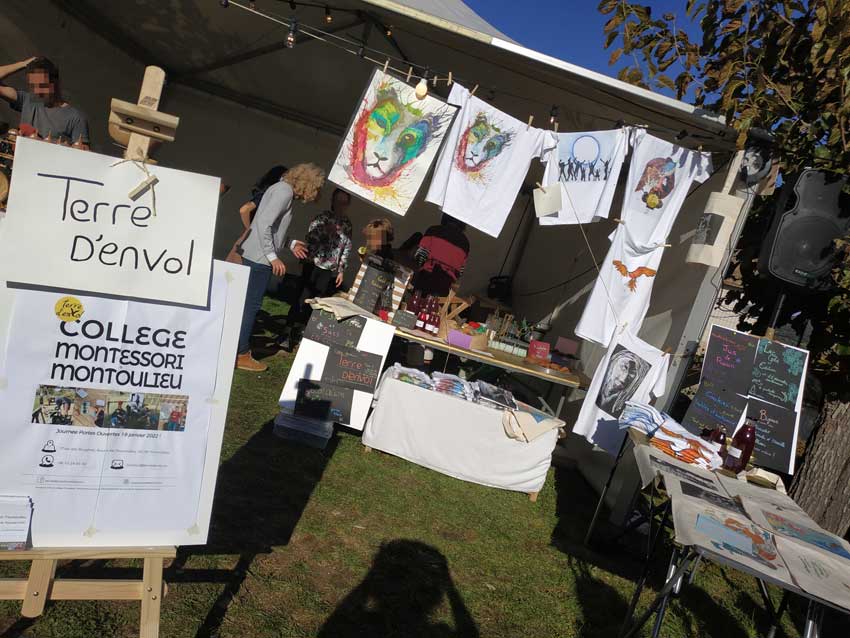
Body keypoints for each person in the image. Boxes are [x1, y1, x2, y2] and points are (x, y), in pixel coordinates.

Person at [236, 163, 326, 372]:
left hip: (255, 254)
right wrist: (272, 257)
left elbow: (271, 227)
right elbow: (264, 224)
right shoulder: (284, 192)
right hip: (259, 258)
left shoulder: (279, 188)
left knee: (245, 304)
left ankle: (236, 347)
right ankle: (240, 353)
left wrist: (290, 244)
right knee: (251, 306)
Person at [280, 188, 353, 351]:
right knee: (301, 297)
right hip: (313, 263)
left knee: (316, 301)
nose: (341, 205)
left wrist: (341, 269)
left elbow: (347, 247)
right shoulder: (323, 217)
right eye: (338, 201)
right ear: (332, 201)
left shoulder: (347, 224)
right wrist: (326, 231)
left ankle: (300, 331)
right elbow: (310, 237)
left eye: (344, 202)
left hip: (329, 269)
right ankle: (286, 331)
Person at [0, 57, 90, 147]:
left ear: (55, 82)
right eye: (33, 86)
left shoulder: (75, 118)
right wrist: (23, 64)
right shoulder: (28, 100)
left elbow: (83, 157)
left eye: (42, 85)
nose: (37, 91)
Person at [227, 165, 288, 264]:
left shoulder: (268, 194)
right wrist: (249, 229)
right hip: (248, 242)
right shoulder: (266, 195)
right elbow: (244, 210)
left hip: (249, 242)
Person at [411, 214, 470, 298]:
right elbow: (460, 271)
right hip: (445, 284)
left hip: (426, 277)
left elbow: (420, 257)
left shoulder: (433, 231)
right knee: (432, 309)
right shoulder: (465, 243)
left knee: (415, 306)